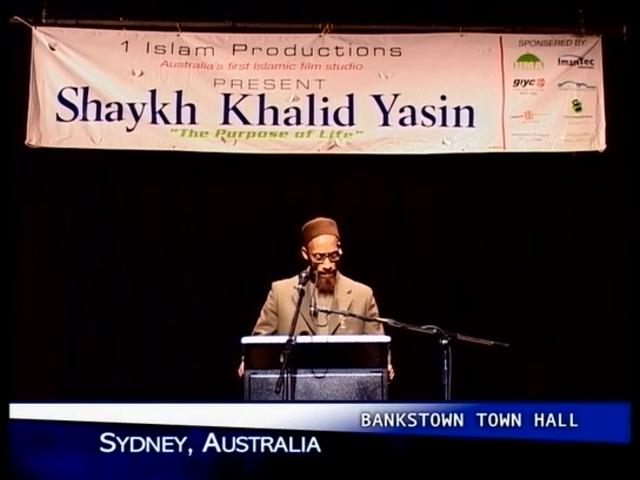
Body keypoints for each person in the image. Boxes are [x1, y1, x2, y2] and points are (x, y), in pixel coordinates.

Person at [238, 216, 393, 379]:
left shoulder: (362, 295)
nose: (328, 265)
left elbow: (378, 350)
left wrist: (386, 364)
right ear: (305, 254)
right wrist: (249, 362)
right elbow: (259, 345)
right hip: (296, 387)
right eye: (319, 257)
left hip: (347, 386)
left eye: (333, 256)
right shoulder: (280, 293)